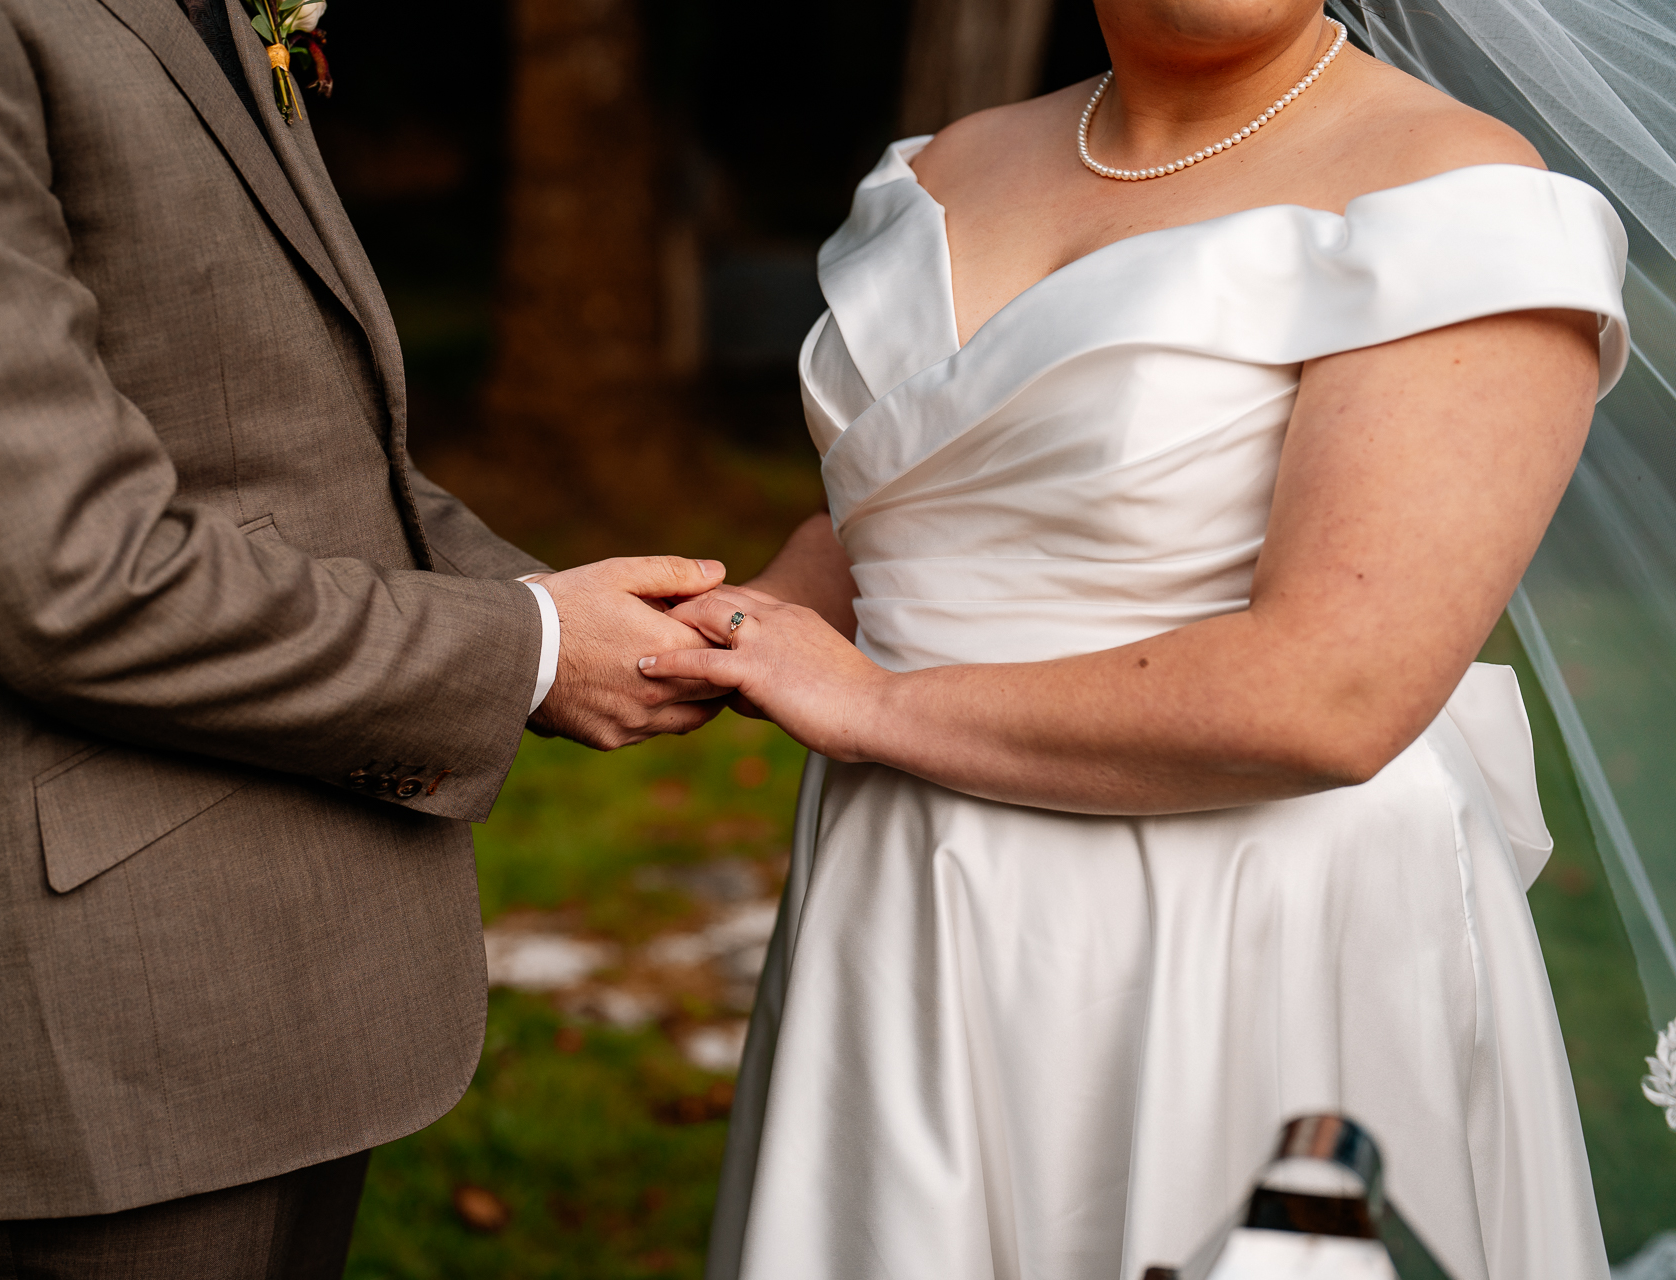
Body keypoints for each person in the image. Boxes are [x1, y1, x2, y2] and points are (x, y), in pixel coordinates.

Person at [644, 2, 1628, 1277]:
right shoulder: (939, 168)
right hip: (908, 887)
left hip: (1239, 920)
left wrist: (872, 707)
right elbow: (915, 501)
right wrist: (741, 621)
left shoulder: (1457, 202)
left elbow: (1334, 695)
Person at [0, 1, 726, 1275]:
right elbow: (70, 574)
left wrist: (585, 611)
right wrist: (529, 650)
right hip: (105, 1009)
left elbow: (299, 453)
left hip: (287, 940)